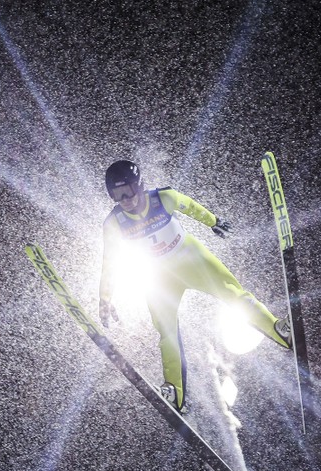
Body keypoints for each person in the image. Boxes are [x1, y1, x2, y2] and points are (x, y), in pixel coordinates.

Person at [98, 159, 292, 413]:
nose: (125, 199)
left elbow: (189, 206)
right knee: (167, 332)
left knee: (233, 294)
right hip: (157, 278)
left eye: (128, 191)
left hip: (191, 259)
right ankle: (174, 392)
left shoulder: (163, 197)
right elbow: (110, 262)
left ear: (140, 185)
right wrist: (105, 297)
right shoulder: (113, 223)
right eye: (116, 195)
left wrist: (213, 221)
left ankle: (279, 331)